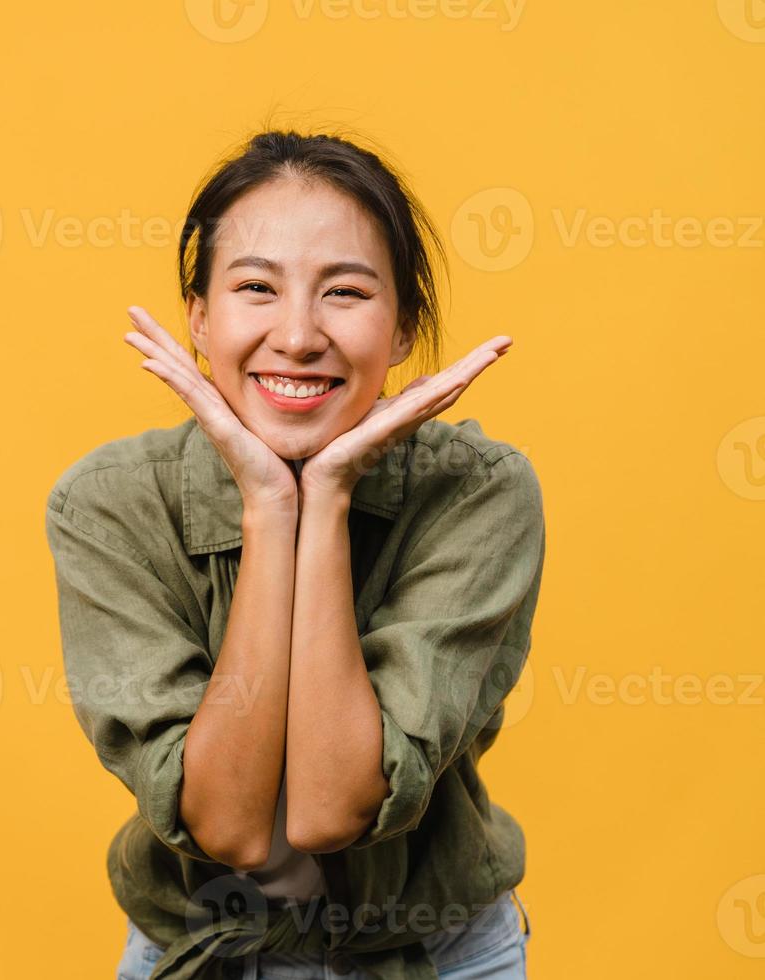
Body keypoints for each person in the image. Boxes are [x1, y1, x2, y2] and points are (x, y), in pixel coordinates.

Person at [44, 130, 543, 980]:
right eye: (255, 289)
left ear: (402, 330)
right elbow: (230, 829)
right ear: (200, 319)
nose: (300, 335)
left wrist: (333, 491)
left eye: (345, 292)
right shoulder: (107, 503)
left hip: (434, 953)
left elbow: (327, 809)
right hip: (200, 950)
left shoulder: (480, 492)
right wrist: (273, 505)